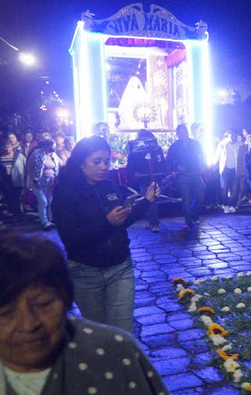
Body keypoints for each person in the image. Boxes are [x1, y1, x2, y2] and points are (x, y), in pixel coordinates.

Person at [0, 232, 169, 395]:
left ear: (66, 299)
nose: (28, 324)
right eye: (6, 313)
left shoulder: (115, 350)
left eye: (43, 304)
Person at [52, 136, 160, 332]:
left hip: (120, 267)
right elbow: (71, 239)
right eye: (97, 161)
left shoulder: (110, 186)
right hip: (85, 272)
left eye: (106, 161)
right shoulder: (66, 193)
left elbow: (123, 220)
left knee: (122, 332)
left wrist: (147, 201)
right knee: (100, 335)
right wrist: (107, 222)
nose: (103, 167)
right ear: (81, 162)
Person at [127, 130, 166, 232]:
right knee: (151, 199)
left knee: (154, 199)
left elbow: (162, 162)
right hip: (144, 180)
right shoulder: (135, 152)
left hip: (157, 178)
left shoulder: (157, 149)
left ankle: (151, 219)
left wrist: (163, 173)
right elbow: (130, 166)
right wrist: (135, 172)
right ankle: (154, 223)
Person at [167, 124, 206, 228]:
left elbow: (203, 155)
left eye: (184, 132)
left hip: (196, 174)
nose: (183, 134)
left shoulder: (195, 144)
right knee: (186, 199)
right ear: (177, 134)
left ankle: (192, 213)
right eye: (180, 133)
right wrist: (177, 166)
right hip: (182, 177)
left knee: (200, 197)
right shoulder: (174, 146)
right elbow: (169, 161)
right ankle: (189, 220)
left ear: (187, 132)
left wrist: (203, 165)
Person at [27, 139, 60, 230]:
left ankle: (49, 221)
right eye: (52, 146)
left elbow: (60, 164)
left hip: (50, 181)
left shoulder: (53, 155)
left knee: (49, 201)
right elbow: (29, 167)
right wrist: (34, 178)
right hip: (38, 180)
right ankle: (44, 222)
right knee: (43, 201)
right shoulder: (36, 154)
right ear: (46, 146)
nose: (53, 147)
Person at [213, 129, 241, 214]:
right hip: (225, 169)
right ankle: (226, 205)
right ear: (229, 135)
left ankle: (232, 204)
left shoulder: (240, 144)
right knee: (224, 188)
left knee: (235, 189)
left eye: (234, 135)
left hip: (235, 169)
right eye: (231, 135)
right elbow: (217, 155)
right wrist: (212, 163)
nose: (233, 137)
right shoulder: (222, 144)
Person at [0, 139, 26, 216]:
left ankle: (17, 212)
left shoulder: (19, 155)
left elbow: (25, 164)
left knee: (17, 195)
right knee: (8, 195)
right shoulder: (1, 156)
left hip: (16, 177)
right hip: (6, 178)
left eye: (9, 147)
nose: (7, 149)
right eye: (6, 147)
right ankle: (10, 211)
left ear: (12, 147)